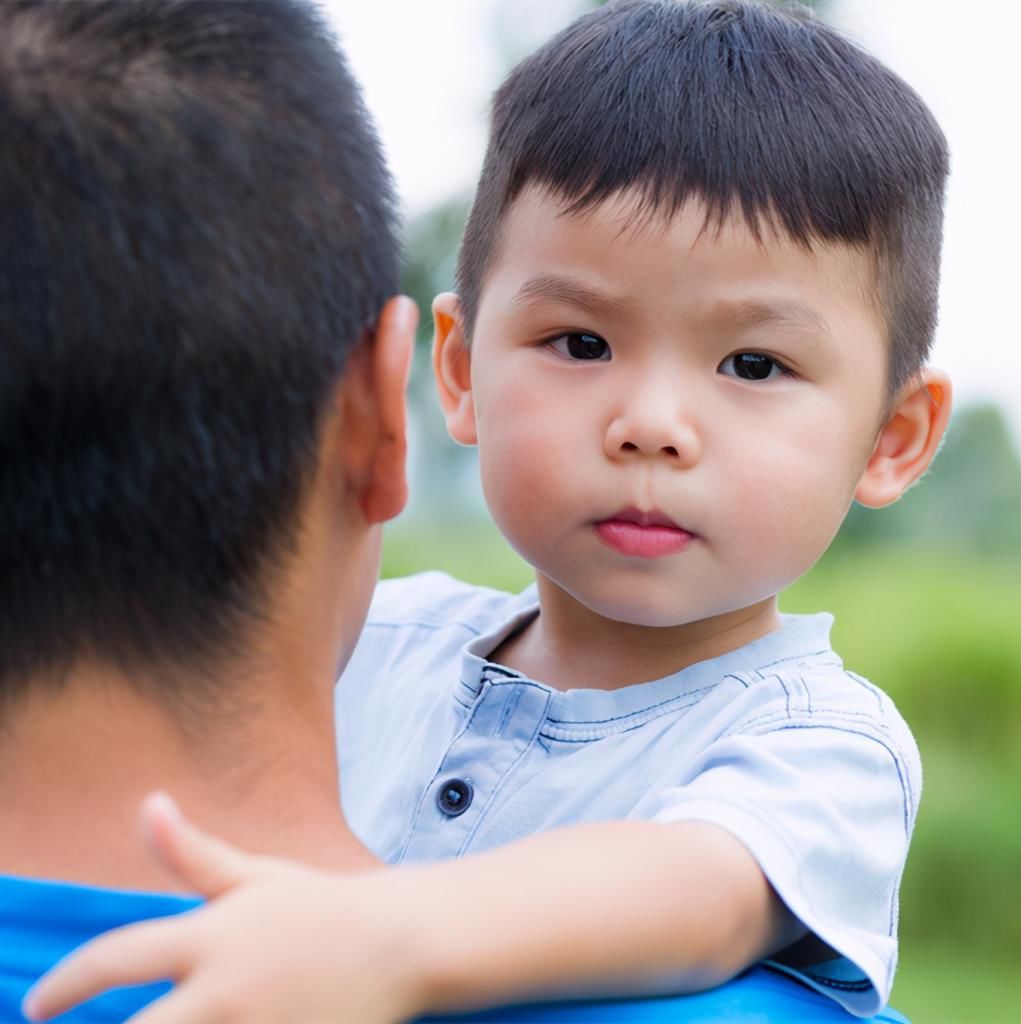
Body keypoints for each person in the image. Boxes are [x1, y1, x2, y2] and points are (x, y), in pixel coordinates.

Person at [26, 0, 953, 1021]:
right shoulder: (379, 643)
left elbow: (703, 892)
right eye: (580, 343)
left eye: (752, 363)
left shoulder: (820, 742)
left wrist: (382, 939)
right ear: (459, 372)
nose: (649, 424)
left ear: (892, 436)